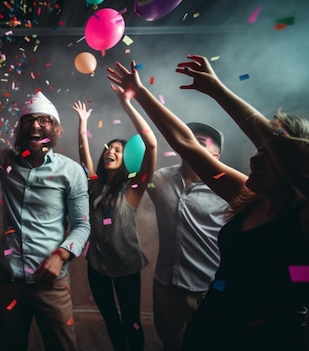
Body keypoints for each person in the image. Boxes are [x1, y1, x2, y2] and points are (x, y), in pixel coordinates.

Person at [108, 56, 309, 350]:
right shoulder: (247, 196)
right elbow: (185, 143)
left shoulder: (301, 216)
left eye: (268, 153)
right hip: (215, 322)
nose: (254, 158)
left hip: (269, 337)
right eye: (258, 150)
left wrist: (221, 91)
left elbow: (290, 155)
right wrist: (140, 94)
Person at [0, 73, 91, 351]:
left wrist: (60, 255)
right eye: (29, 120)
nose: (35, 126)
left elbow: (82, 226)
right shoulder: (5, 163)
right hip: (9, 284)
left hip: (51, 284)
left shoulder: (71, 171)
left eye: (44, 120)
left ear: (54, 130)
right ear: (21, 129)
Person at [73, 84, 157, 351]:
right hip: (97, 265)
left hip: (126, 265)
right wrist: (83, 124)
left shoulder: (133, 188)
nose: (111, 151)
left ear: (127, 160)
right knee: (110, 319)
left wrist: (127, 105)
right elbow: (83, 154)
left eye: (118, 151)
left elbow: (152, 146)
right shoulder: (94, 184)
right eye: (109, 148)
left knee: (131, 321)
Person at [148, 122, 228, 351]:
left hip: (206, 288)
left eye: (201, 142)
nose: (190, 143)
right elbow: (145, 187)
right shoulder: (161, 178)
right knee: (170, 342)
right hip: (166, 285)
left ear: (216, 155)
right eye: (188, 138)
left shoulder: (227, 190)